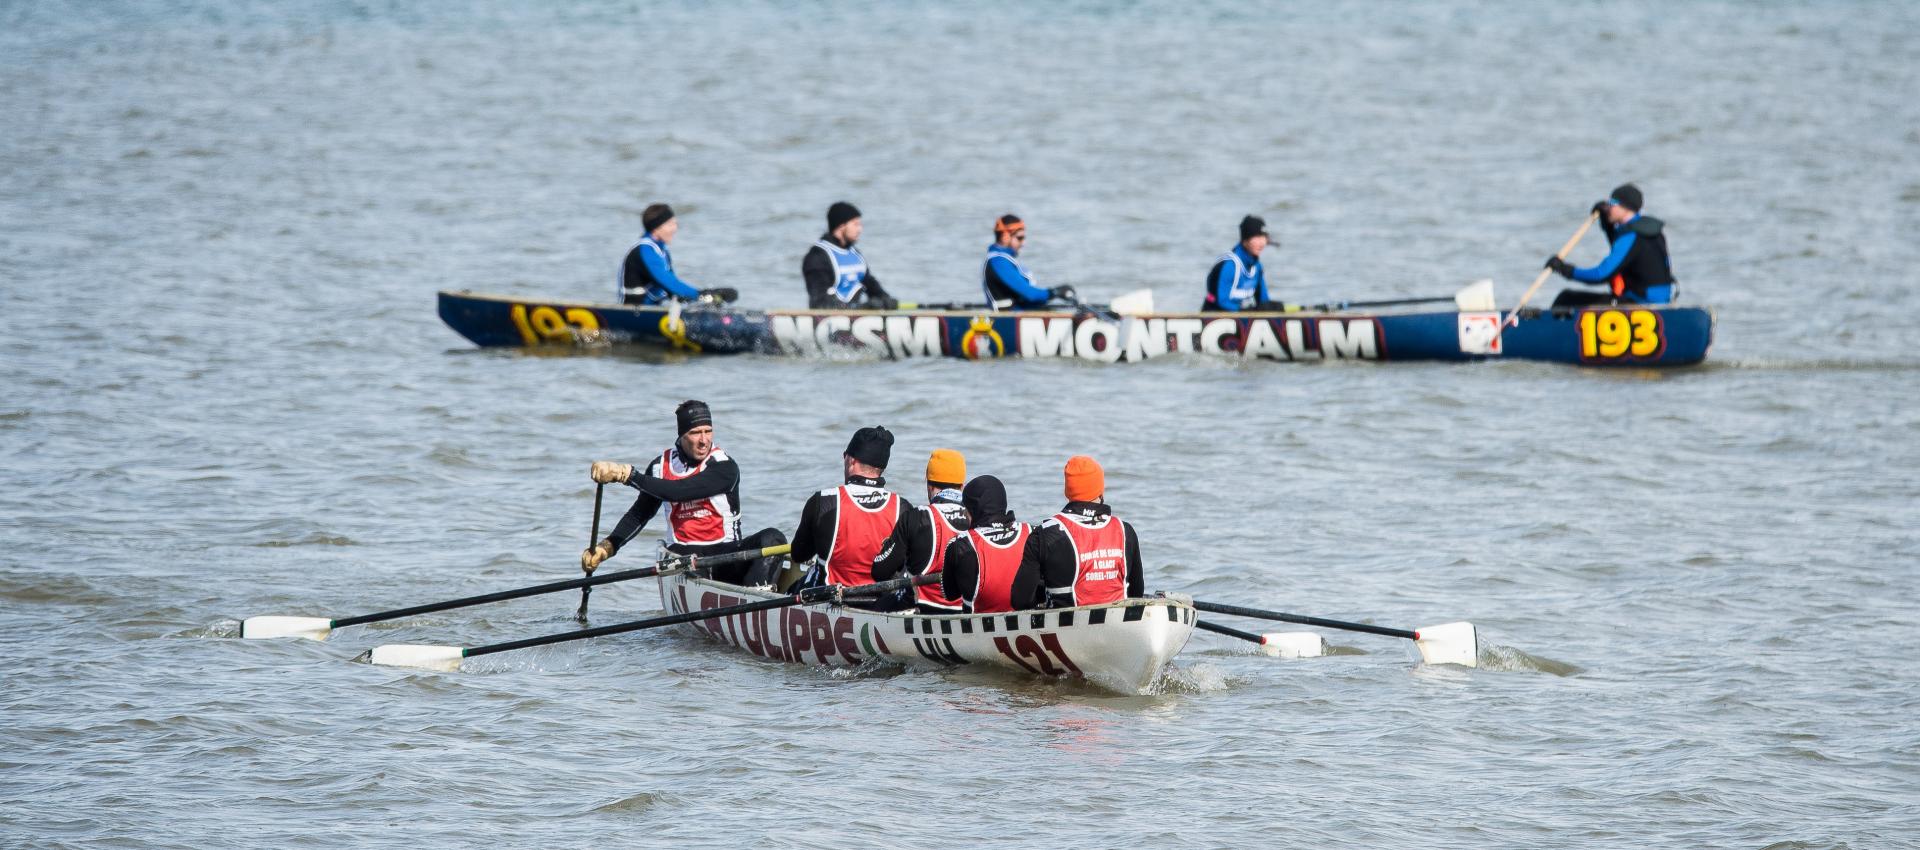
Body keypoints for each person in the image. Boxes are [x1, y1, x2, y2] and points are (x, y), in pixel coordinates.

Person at [580, 400, 786, 585]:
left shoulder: (725, 467)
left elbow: (680, 491)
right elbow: (639, 515)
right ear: (681, 435)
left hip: (727, 556)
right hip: (684, 553)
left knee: (773, 538)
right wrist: (607, 547)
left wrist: (628, 475)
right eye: (695, 433)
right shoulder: (661, 467)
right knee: (691, 563)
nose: (704, 440)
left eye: (708, 431)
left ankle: (757, 599)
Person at [787, 426, 929, 609]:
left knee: (794, 585)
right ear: (881, 469)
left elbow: (799, 554)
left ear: (851, 460)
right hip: (880, 603)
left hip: (830, 599)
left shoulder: (823, 501)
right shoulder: (903, 508)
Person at [1023, 456, 1145, 608]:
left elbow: (1021, 600)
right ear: (1101, 492)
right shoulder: (1125, 530)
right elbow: (1137, 592)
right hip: (1119, 622)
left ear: (1068, 492)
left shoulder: (1044, 534)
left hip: (1066, 625)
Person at [1544, 183, 1678, 312]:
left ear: (1625, 207)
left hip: (1640, 304)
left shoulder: (1630, 236)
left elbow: (1601, 275)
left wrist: (1564, 269)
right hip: (1661, 302)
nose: (1608, 207)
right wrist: (1606, 223)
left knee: (1566, 298)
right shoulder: (1652, 231)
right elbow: (1625, 254)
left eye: (1612, 203)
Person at [938, 475, 1043, 614]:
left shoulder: (960, 545)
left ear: (973, 509)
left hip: (977, 629)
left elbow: (950, 595)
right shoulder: (1032, 532)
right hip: (1027, 625)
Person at [617, 204, 737, 306]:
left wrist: (711, 297)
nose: (675, 228)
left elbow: (673, 291)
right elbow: (669, 283)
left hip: (655, 309)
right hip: (636, 311)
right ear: (656, 228)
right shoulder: (645, 250)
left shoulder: (662, 252)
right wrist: (701, 294)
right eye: (670, 224)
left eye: (675, 224)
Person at [803, 202, 898, 309]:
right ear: (841, 226)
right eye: (855, 224)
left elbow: (870, 284)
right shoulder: (817, 257)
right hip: (828, 320)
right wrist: (861, 308)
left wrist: (885, 299)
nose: (860, 229)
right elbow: (820, 303)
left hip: (854, 316)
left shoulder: (855, 255)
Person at [910, 448, 971, 614]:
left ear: (929, 485)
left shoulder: (917, 516)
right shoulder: (978, 516)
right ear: (962, 486)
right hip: (968, 607)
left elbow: (882, 570)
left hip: (928, 607)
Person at [982, 214, 1074, 310]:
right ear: (1005, 237)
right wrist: (1055, 292)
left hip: (1018, 312)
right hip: (1009, 318)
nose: (1023, 243)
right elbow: (1031, 295)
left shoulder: (1003, 259)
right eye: (1020, 238)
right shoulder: (999, 262)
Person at [1202, 215, 1285, 312]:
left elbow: (1263, 301)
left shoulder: (1257, 268)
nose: (1262, 242)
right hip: (1214, 314)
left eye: (1264, 237)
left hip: (1238, 317)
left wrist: (1271, 307)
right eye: (1257, 237)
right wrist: (1248, 311)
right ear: (1245, 240)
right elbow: (1223, 301)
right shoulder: (1229, 265)